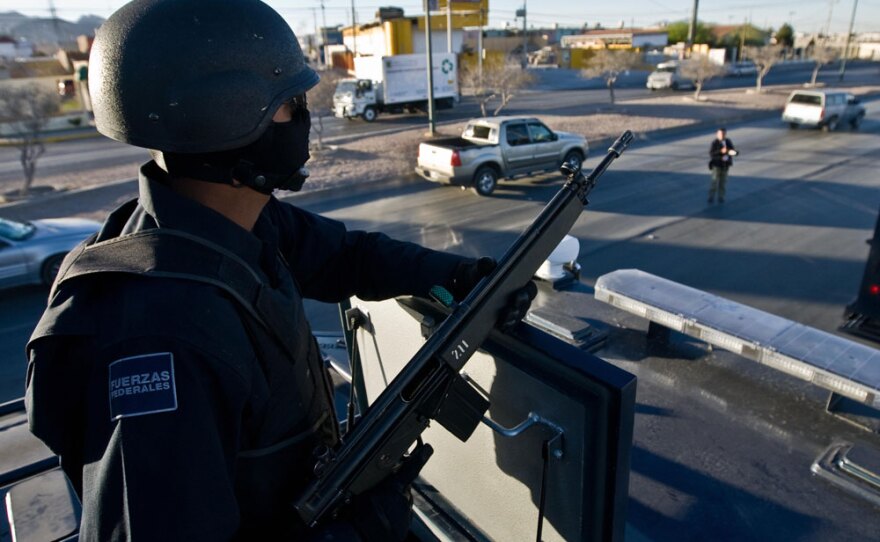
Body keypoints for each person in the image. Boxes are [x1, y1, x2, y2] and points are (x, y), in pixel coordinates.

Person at [23, 1, 533, 540]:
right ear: (227, 116)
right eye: (291, 103)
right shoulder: (164, 337)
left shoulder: (229, 219)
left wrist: (462, 276)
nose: (306, 117)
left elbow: (345, 256)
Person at [708, 127, 737, 204]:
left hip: (725, 165)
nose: (722, 135)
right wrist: (720, 151)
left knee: (723, 182)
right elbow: (712, 154)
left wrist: (732, 152)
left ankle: (721, 197)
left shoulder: (728, 141)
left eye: (723, 134)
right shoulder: (715, 143)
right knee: (714, 181)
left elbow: (733, 151)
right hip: (717, 165)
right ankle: (711, 196)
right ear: (717, 134)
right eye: (720, 134)